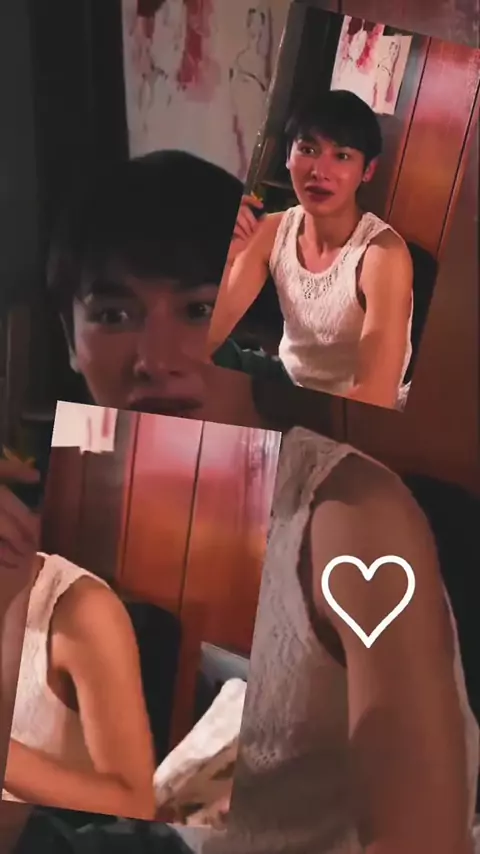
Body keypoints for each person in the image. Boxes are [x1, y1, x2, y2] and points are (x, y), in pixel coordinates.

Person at [4, 150, 479, 852]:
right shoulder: (56, 501)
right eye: (113, 313)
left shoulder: (348, 517)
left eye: (198, 309)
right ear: (69, 340)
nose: (155, 359)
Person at [207, 89, 414, 410]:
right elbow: (207, 335)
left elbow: (375, 396)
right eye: (308, 149)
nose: (319, 171)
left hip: (346, 407)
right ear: (287, 156)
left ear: (368, 171)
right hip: (287, 378)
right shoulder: (270, 231)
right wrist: (229, 257)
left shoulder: (382, 255)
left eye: (341, 156)